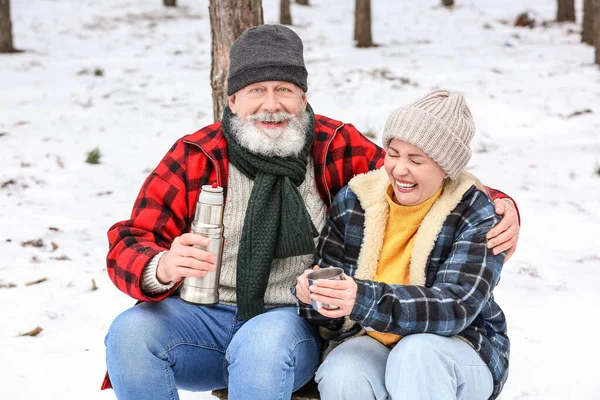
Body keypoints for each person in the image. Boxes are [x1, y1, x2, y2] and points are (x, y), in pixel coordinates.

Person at [102, 24, 519, 400]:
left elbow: (417, 175)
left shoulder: (333, 144)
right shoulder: (197, 155)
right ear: (232, 100)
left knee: (262, 348)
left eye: (284, 89)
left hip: (287, 319)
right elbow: (130, 239)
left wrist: (502, 204)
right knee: (129, 334)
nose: (272, 104)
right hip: (201, 316)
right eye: (256, 90)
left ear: (303, 97)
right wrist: (162, 266)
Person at [294, 90, 511, 400]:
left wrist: (361, 298)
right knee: (344, 370)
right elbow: (329, 301)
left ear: (446, 167)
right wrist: (313, 296)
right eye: (393, 153)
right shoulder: (357, 200)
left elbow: (455, 306)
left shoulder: (474, 212)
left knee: (416, 354)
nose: (398, 169)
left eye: (416, 159)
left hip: (459, 347)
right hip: (371, 339)